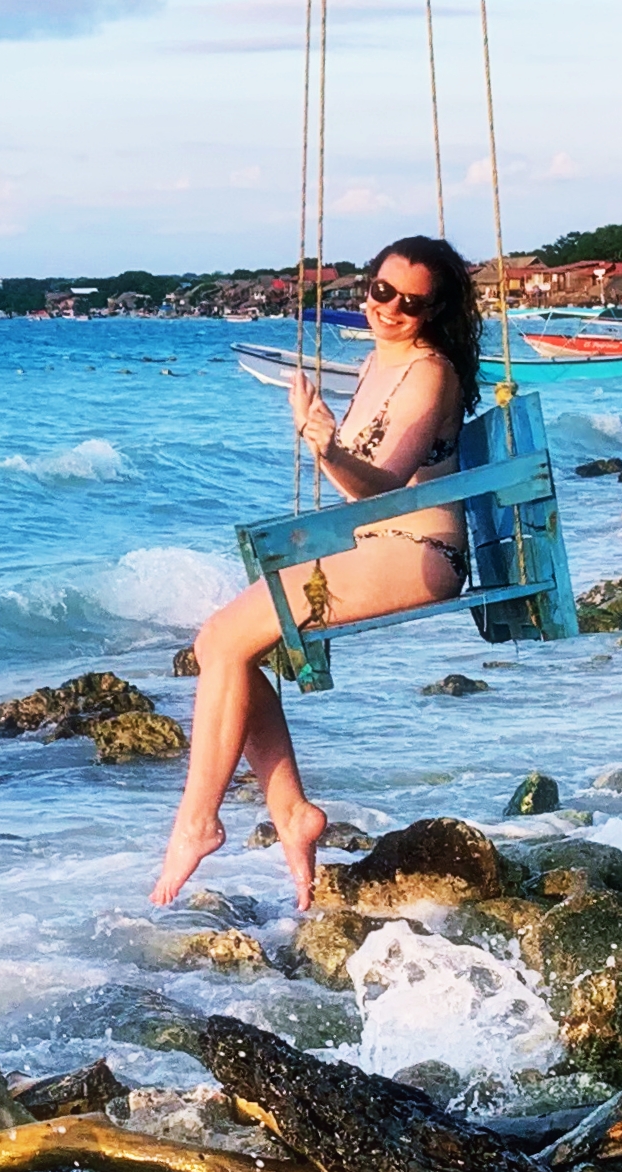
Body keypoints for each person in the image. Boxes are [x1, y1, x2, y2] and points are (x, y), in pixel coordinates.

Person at [153, 235, 481, 912]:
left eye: (410, 302)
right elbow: (359, 482)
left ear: (433, 311)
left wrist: (325, 445)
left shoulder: (428, 372)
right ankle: (292, 813)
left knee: (221, 643)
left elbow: (384, 486)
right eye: (381, 291)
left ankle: (199, 823)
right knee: (222, 646)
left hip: (417, 551)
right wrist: (319, 441)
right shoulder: (376, 362)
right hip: (378, 543)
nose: (388, 309)